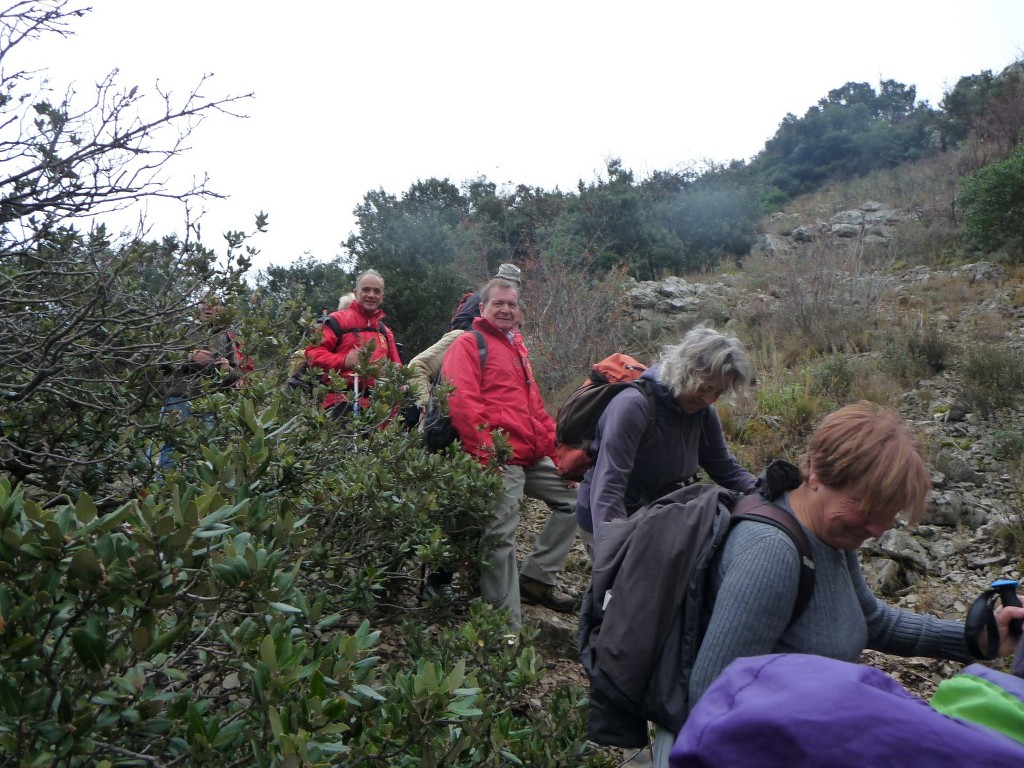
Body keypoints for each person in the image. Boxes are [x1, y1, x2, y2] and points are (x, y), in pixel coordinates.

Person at [650, 401, 1024, 766]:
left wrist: (974, 639)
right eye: (865, 508)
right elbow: (714, 699)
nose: (877, 529)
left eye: (888, 516)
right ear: (815, 473)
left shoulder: (829, 535)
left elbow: (872, 621)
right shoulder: (771, 553)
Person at [441, 277, 577, 627]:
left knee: (579, 500)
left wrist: (560, 458)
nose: (505, 309)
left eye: (511, 304)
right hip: (500, 458)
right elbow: (462, 403)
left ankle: (536, 577)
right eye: (498, 303)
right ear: (482, 308)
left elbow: (535, 410)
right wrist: (489, 457)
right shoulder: (469, 345)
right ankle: (506, 629)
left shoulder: (517, 348)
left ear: (519, 313)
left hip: (530, 456)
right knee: (500, 536)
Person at [575, 325, 757, 556]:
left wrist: (767, 493)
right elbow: (609, 486)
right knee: (625, 591)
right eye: (705, 387)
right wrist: (611, 549)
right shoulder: (633, 406)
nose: (709, 399)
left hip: (656, 516)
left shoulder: (702, 413)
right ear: (686, 371)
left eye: (718, 393)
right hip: (608, 517)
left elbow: (726, 469)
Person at [155, 295, 243, 467]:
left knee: (206, 451)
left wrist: (227, 369)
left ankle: (196, 491)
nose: (208, 306)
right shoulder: (182, 330)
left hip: (210, 401)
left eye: (214, 303)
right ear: (198, 305)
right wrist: (189, 356)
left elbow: (237, 374)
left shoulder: (225, 337)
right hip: (180, 397)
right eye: (204, 302)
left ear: (220, 309)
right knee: (173, 446)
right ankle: (165, 490)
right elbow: (161, 359)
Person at [305, 270, 401, 415]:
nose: (371, 295)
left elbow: (396, 368)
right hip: (339, 405)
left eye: (376, 291)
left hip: (377, 410)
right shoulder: (335, 321)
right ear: (356, 293)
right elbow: (313, 355)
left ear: (382, 297)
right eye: (366, 290)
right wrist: (344, 360)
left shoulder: (384, 331)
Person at [449, 263, 522, 331]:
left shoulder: (514, 304)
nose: (505, 310)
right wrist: (482, 336)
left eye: (514, 284)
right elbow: (459, 322)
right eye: (498, 303)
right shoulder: (479, 298)